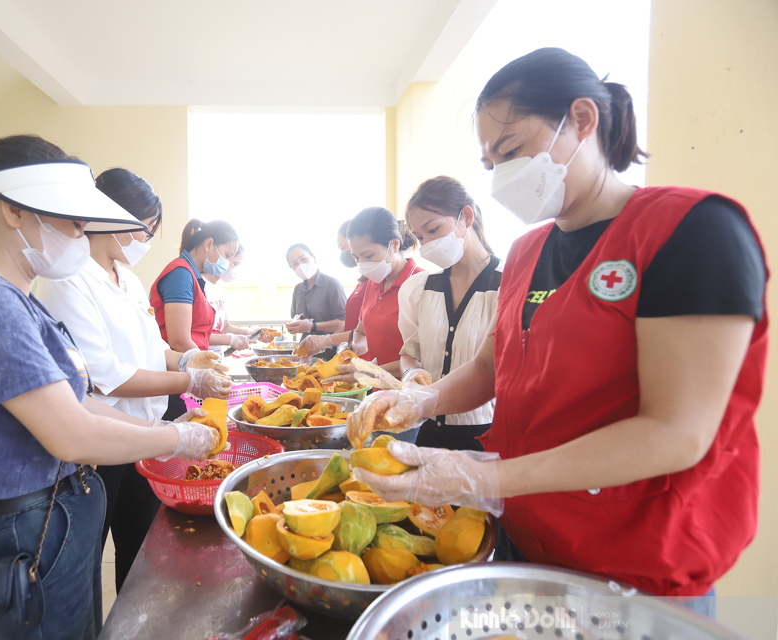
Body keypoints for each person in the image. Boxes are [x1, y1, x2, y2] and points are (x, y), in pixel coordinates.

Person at [348, 48, 768, 613]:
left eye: (513, 150)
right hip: (528, 543)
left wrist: (486, 478)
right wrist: (422, 399)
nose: (500, 173)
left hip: (636, 566)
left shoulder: (691, 231)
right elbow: (494, 367)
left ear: (582, 119)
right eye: (490, 161)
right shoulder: (526, 253)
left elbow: (676, 431)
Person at [0, 136, 220, 640]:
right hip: (25, 531)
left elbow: (81, 401)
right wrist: (175, 440)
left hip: (52, 520)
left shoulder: (19, 301)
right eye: (71, 221)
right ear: (12, 211)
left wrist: (174, 426)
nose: (81, 234)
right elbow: (71, 432)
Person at [34, 168, 231, 592]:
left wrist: (187, 360)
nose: (147, 241)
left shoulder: (128, 278)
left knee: (140, 548)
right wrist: (187, 383)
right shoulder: (71, 278)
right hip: (103, 444)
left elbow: (152, 347)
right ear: (110, 217)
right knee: (85, 559)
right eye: (145, 230)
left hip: (148, 435)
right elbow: (103, 375)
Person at [397, 176, 501, 452]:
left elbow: (492, 368)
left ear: (465, 217)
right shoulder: (420, 289)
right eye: (419, 237)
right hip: (428, 431)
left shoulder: (509, 284)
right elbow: (411, 352)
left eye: (433, 230)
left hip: (485, 435)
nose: (427, 243)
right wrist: (411, 376)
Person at [299, 207, 422, 377]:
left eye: (368, 255)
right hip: (377, 388)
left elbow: (423, 358)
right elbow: (361, 332)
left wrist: (369, 371)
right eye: (356, 258)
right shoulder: (373, 283)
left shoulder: (421, 284)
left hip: (410, 391)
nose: (362, 264)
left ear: (394, 245)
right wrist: (351, 346)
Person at [151, 219, 242, 418]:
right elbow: (179, 339)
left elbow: (197, 332)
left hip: (184, 370)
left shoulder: (192, 274)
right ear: (209, 244)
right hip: (172, 375)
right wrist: (208, 371)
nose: (226, 264)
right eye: (226, 255)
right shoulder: (181, 274)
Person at [285, 243, 347, 359]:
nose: (300, 265)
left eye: (303, 259)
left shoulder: (332, 284)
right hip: (305, 353)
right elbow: (295, 317)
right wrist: (294, 326)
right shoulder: (298, 289)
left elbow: (344, 323)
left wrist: (312, 326)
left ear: (313, 257)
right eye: (294, 264)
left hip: (330, 352)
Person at [203, 244, 265, 342]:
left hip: (217, 355)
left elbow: (225, 327)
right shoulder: (200, 285)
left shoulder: (219, 291)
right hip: (201, 354)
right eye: (235, 264)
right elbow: (196, 334)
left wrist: (252, 332)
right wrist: (231, 340)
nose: (234, 268)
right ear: (225, 258)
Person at [337, 220, 370, 360]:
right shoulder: (364, 280)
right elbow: (359, 329)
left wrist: (324, 340)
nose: (344, 253)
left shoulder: (373, 280)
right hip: (357, 357)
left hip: (370, 361)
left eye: (343, 247)